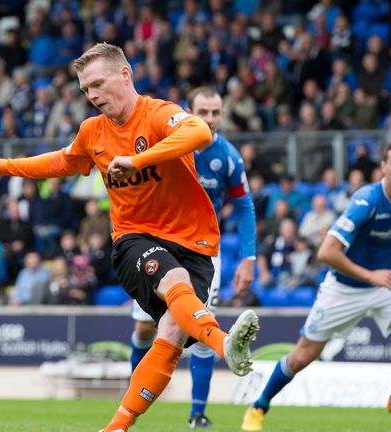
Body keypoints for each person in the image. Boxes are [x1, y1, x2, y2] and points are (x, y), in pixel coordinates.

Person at [0, 43, 259, 432]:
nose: (91, 96)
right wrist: (2, 165)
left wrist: (139, 160)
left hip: (194, 243)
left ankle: (117, 427)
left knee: (172, 333)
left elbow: (199, 131)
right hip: (133, 239)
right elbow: (60, 161)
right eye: (85, 90)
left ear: (125, 75)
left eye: (97, 84)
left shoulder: (157, 113)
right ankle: (224, 344)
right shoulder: (93, 132)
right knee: (174, 283)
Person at [241, 139, 391, 432]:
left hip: (388, 282)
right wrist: (369, 276)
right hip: (345, 287)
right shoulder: (366, 201)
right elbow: (326, 253)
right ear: (383, 167)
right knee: (303, 355)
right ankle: (258, 407)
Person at [129, 86, 257, 429]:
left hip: (202, 252)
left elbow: (243, 205)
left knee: (199, 329)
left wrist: (249, 258)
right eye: (204, 112)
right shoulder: (168, 143)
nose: (211, 119)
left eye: (216, 113)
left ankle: (197, 413)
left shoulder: (227, 156)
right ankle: (134, 395)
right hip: (160, 244)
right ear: (188, 111)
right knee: (144, 327)